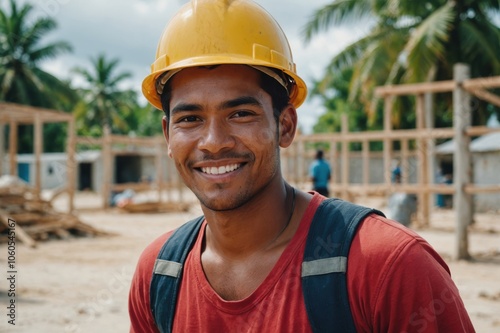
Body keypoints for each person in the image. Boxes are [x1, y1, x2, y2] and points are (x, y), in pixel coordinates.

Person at [129, 1, 475, 332]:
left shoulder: (386, 266)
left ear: (285, 126)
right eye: (190, 119)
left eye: (240, 114)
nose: (214, 141)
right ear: (168, 136)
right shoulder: (159, 274)